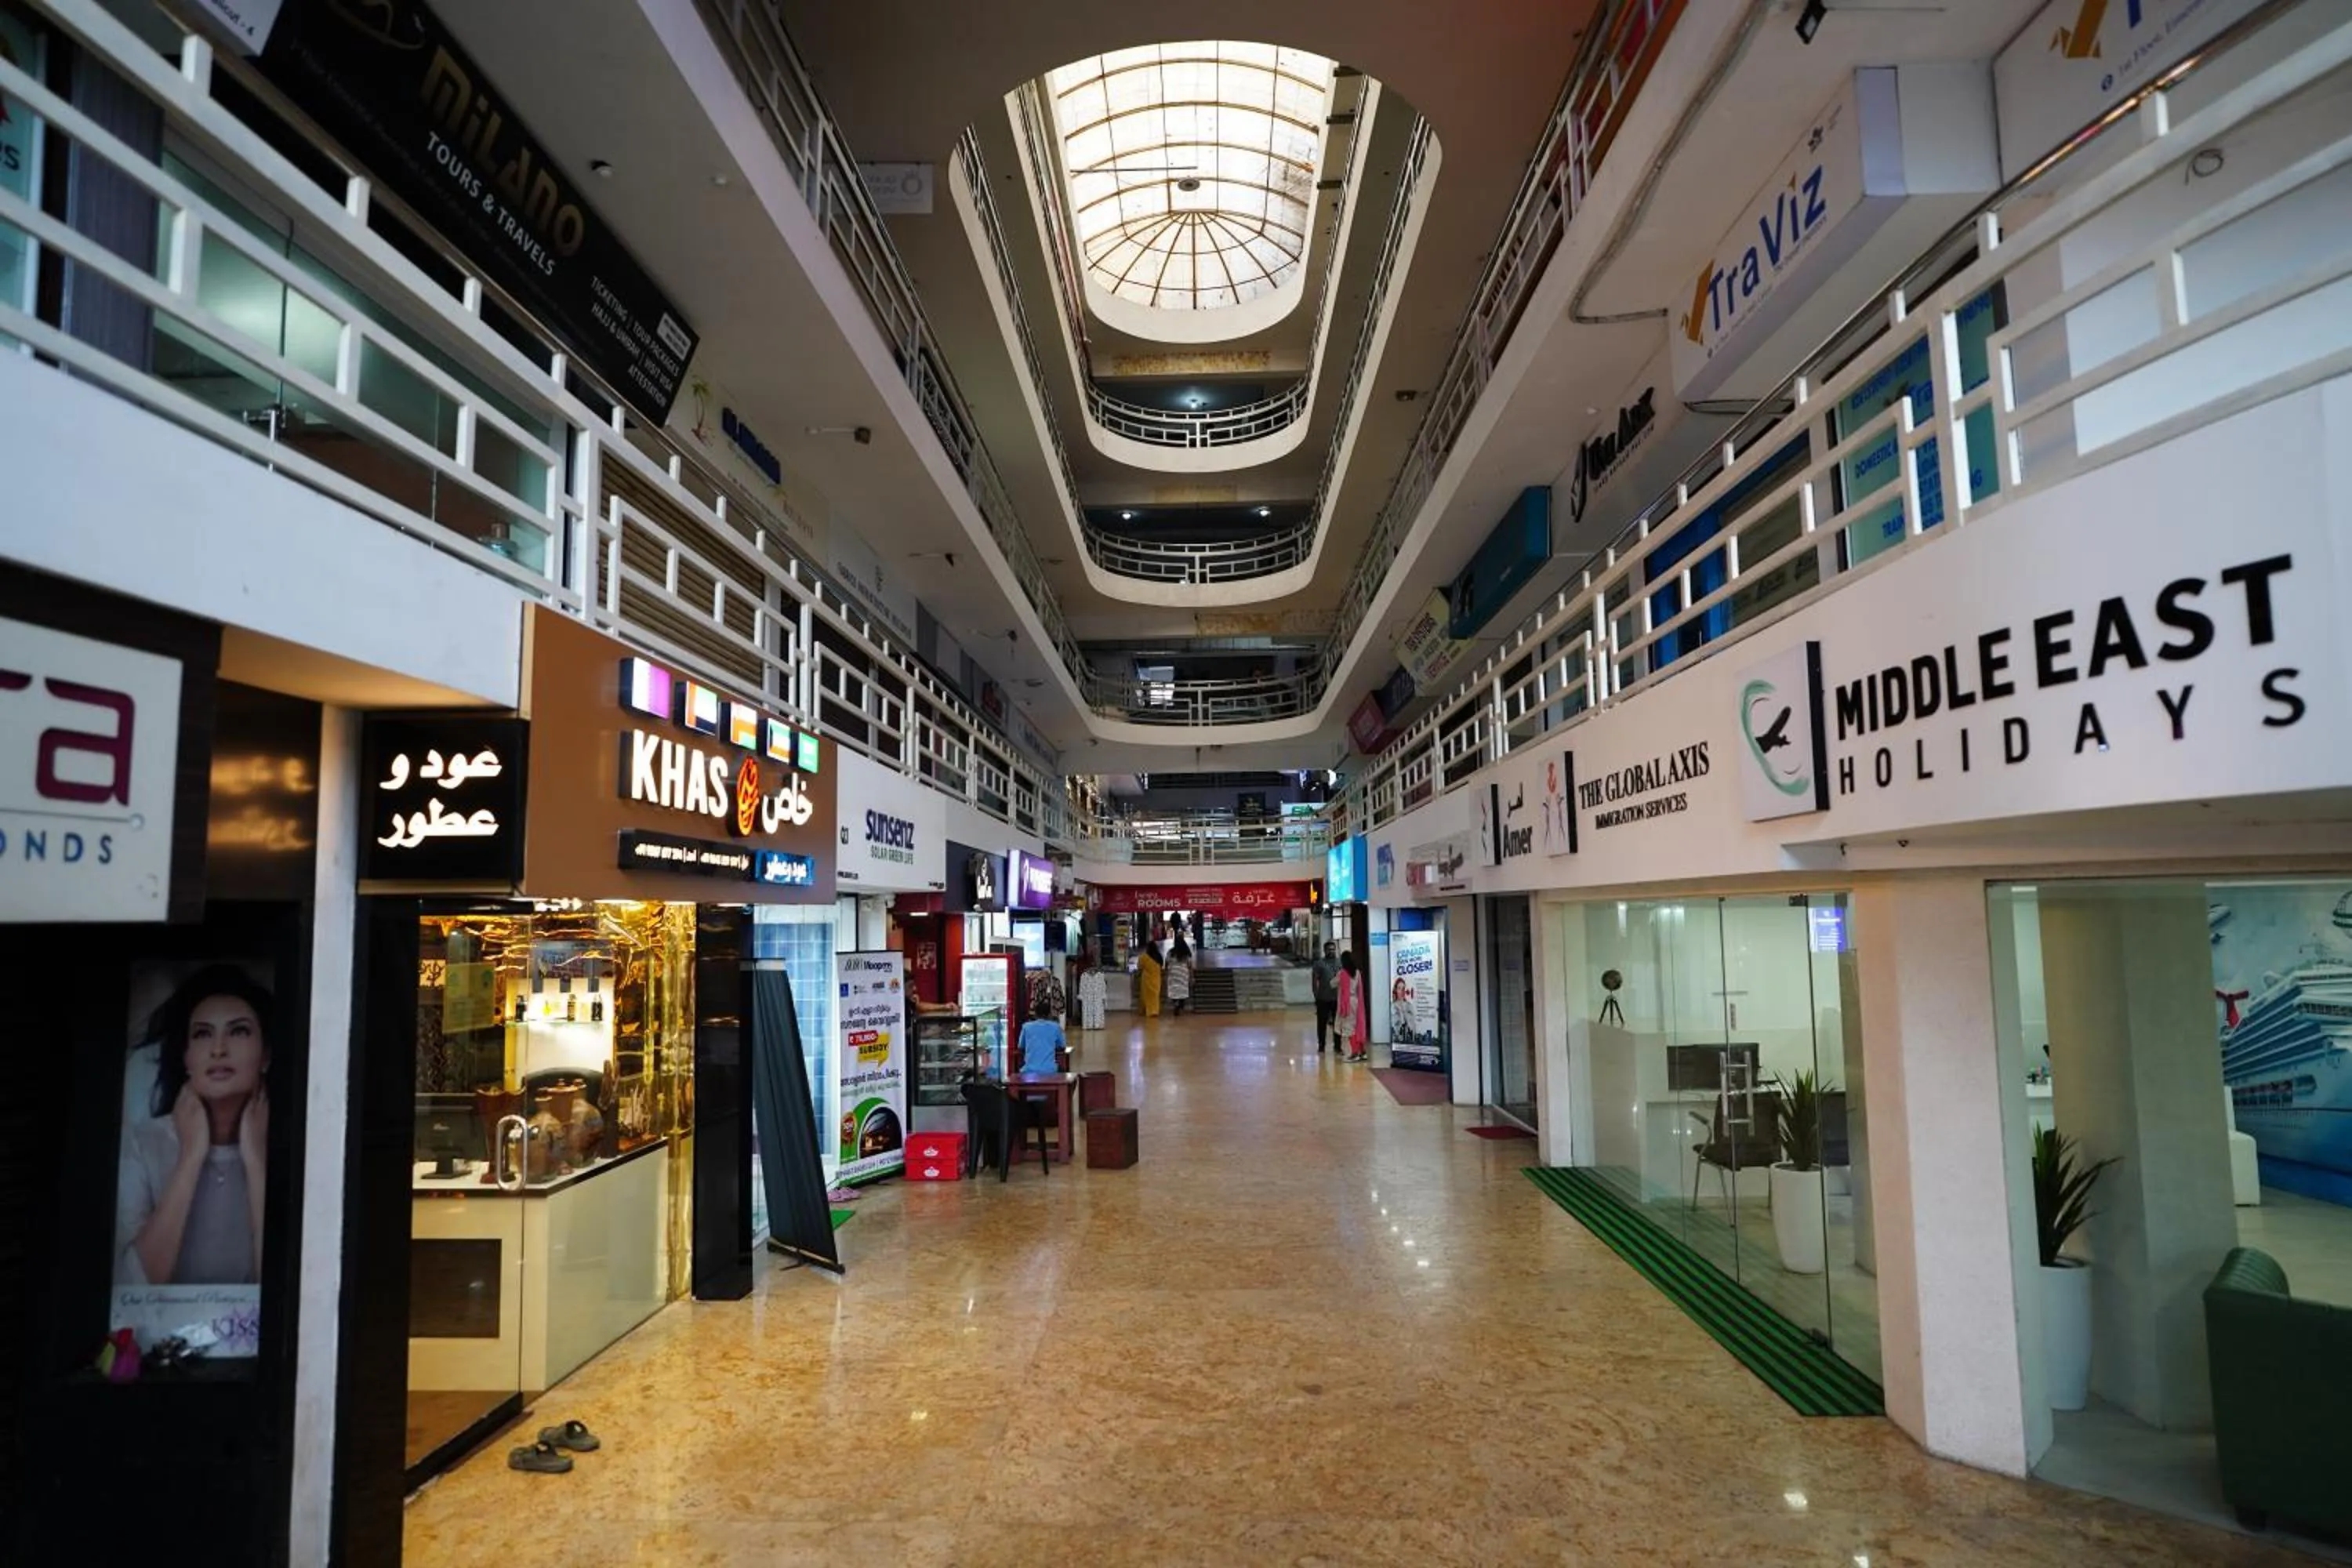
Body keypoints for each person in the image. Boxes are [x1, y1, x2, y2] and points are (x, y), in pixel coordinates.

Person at [116, 965, 274, 1287]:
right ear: (186, 1059)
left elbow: (285, 1290)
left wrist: (256, 1163)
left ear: (265, 1057)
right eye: (203, 1034)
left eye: (238, 1031)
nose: (218, 1049)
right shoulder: (142, 1144)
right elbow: (134, 1286)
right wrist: (191, 1157)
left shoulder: (293, 1143)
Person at [1335, 950, 1369, 1062]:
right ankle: (1363, 1052)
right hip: (1356, 1001)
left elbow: (1332, 983)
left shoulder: (1342, 973)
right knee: (1358, 1027)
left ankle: (1355, 1053)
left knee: (1350, 1029)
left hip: (1347, 1003)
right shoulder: (1358, 972)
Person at [1016, 1003, 1066, 1076]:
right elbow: (1062, 1046)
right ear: (1049, 1014)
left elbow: (1021, 1047)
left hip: (1029, 1069)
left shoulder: (1026, 1027)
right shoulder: (1055, 1027)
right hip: (1050, 1070)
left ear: (1035, 1014)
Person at [1311, 941, 1341, 1053]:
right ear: (1325, 951)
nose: (1332, 951)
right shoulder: (1319, 964)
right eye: (1329, 949)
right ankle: (1321, 1045)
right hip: (1323, 998)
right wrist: (1316, 996)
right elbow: (1314, 981)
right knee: (1322, 1023)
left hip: (1337, 998)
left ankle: (1338, 1046)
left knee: (1337, 1023)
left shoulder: (1340, 963)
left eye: (1333, 949)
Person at [1164, 940, 1193, 1016]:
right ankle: (1180, 1004)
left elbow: (1166, 963)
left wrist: (1166, 972)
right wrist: (1192, 977)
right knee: (1183, 991)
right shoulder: (1186, 953)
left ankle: (1176, 1002)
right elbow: (1190, 965)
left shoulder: (1171, 952)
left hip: (1173, 972)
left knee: (1173, 990)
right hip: (1183, 973)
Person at [1078, 958, 1107, 1032]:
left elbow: (1103, 986)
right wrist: (1082, 995)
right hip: (1087, 997)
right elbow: (1081, 986)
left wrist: (1103, 996)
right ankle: (1088, 1025)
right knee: (1088, 1010)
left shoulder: (1100, 976)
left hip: (1098, 996)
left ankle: (1098, 1024)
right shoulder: (1084, 976)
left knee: (1098, 1009)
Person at [1137, 942, 1163, 1019]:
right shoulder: (1159, 957)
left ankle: (1146, 1010)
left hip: (1146, 979)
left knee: (1146, 996)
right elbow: (1161, 966)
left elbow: (1139, 966)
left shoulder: (1143, 957)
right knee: (1155, 996)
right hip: (1156, 979)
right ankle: (1154, 1011)